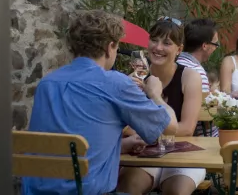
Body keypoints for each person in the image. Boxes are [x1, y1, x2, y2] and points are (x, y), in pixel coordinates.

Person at [22, 10, 178, 195]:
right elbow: (169, 128)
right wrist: (155, 94)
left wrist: (120, 145)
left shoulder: (47, 83)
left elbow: (65, 146)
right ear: (109, 47)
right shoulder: (116, 84)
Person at [117, 17, 205, 195]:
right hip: (145, 154)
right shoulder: (136, 77)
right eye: (154, 40)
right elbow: (124, 126)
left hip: (183, 154)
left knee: (177, 192)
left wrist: (145, 131)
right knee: (127, 187)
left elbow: (187, 128)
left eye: (166, 43)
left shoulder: (189, 77)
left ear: (179, 49)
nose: (158, 47)